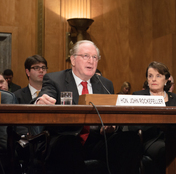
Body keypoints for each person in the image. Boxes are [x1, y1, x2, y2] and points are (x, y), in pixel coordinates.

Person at [34, 40, 140, 174]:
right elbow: (44, 97)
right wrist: (41, 101)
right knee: (69, 144)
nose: (91, 61)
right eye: (86, 56)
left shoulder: (105, 84)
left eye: (95, 57)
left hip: (96, 141)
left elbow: (113, 115)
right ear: (73, 60)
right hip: (65, 139)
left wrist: (111, 127)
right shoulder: (56, 80)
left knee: (130, 139)